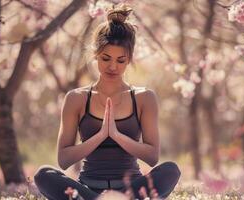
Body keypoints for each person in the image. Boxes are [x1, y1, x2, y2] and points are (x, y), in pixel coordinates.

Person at [33, 4, 181, 200]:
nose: (113, 66)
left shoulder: (144, 98)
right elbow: (63, 160)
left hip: (131, 189)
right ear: (95, 54)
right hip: (88, 189)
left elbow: (152, 157)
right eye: (106, 58)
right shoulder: (76, 99)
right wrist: (101, 135)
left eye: (121, 60)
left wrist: (117, 135)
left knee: (170, 170)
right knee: (44, 175)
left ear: (129, 59)